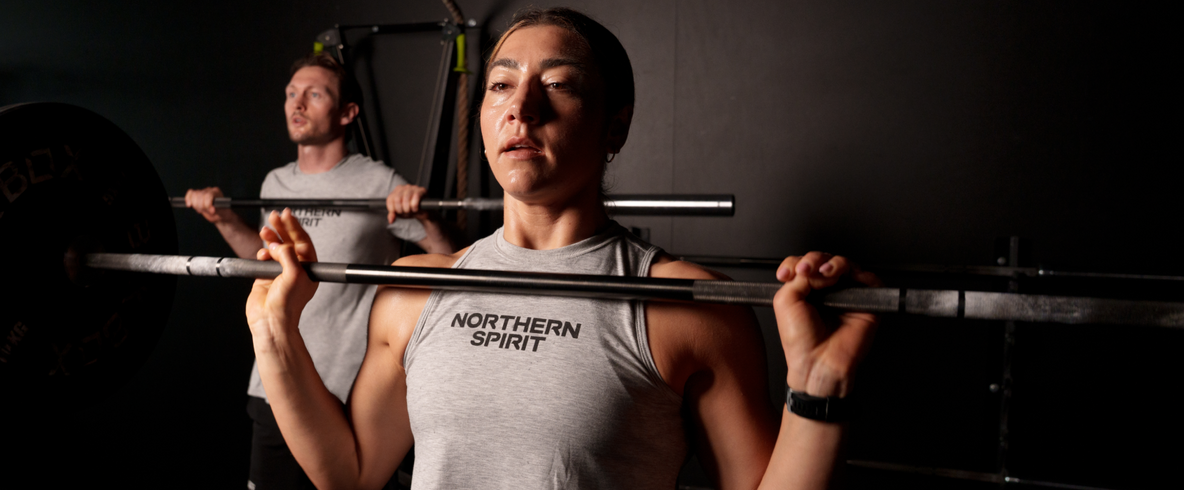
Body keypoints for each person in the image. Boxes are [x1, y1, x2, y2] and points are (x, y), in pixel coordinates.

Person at [245, 8, 880, 490]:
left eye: (558, 84)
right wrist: (276, 334)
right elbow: (350, 471)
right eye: (500, 85)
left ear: (615, 125)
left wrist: (819, 390)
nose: (520, 107)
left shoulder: (689, 308)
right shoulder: (412, 289)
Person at [182, 53, 455, 489]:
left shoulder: (379, 182)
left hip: (353, 390)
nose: (297, 103)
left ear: (347, 113)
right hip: (277, 379)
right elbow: (268, 262)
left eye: (314, 94)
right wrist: (224, 220)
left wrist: (425, 219)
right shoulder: (276, 182)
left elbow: (447, 263)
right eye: (291, 94)